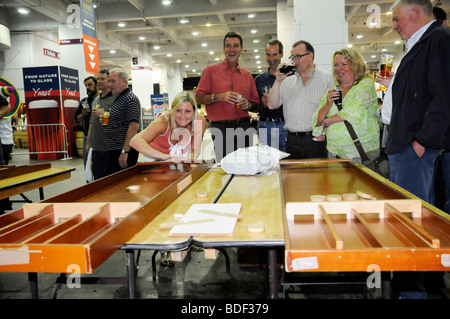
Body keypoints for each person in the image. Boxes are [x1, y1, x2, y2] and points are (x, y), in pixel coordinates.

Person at [386, 0, 450, 299]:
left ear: (415, 13)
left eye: (397, 19)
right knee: (408, 223)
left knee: (412, 227)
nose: (395, 25)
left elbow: (444, 95)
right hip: (406, 148)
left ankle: (415, 293)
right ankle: (412, 290)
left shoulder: (438, 40)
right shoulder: (420, 44)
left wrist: (424, 140)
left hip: (415, 149)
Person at [195, 31, 260, 162]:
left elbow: (256, 104)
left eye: (236, 46)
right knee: (225, 168)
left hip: (244, 127)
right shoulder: (210, 71)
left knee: (246, 167)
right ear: (224, 49)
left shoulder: (247, 75)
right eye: (228, 45)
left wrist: (249, 104)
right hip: (220, 129)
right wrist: (219, 97)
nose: (232, 49)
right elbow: (198, 98)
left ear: (241, 49)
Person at [311, 48, 380, 164]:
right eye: (336, 65)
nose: (339, 68)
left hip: (360, 152)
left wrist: (327, 121)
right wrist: (328, 104)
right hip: (334, 153)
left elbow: (352, 112)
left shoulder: (365, 84)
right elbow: (316, 120)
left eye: (344, 64)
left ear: (355, 65)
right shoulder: (332, 90)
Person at [267, 40, 334, 159]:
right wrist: (278, 81)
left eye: (298, 56)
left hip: (316, 139)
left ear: (310, 56)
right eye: (293, 57)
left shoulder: (327, 79)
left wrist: (324, 133)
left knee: (316, 176)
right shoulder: (287, 81)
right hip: (291, 140)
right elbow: (272, 105)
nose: (295, 60)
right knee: (292, 177)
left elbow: (334, 110)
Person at [130, 91, 206, 163]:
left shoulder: (200, 121)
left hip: (177, 158)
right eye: (178, 111)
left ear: (194, 112)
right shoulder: (163, 121)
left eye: (188, 111)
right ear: (173, 110)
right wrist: (162, 156)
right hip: (154, 158)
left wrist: (190, 158)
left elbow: (194, 151)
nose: (183, 116)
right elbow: (134, 141)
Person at [254, 39, 288, 152]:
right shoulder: (259, 80)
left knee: (285, 161)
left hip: (285, 125)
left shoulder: (290, 77)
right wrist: (262, 103)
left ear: (281, 54)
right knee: (266, 161)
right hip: (264, 125)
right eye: (268, 55)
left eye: (275, 55)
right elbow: (254, 107)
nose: (271, 59)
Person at [106, 68, 140, 175]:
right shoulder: (119, 98)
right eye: (109, 81)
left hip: (123, 151)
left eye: (113, 81)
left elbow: (134, 126)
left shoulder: (130, 99)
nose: (110, 84)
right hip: (115, 150)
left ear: (124, 81)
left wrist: (125, 152)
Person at [86, 69, 115, 180]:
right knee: (97, 179)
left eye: (103, 79)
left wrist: (104, 114)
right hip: (96, 148)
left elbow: (119, 119)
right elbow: (91, 124)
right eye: (98, 79)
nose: (99, 81)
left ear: (109, 81)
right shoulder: (96, 100)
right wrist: (88, 143)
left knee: (110, 180)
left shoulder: (115, 98)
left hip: (110, 148)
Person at [74, 76, 100, 167]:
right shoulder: (84, 102)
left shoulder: (103, 100)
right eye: (85, 85)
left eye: (89, 85)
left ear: (97, 85)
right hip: (86, 138)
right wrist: (83, 114)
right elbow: (77, 119)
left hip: (101, 138)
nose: (87, 87)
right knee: (88, 165)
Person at [0, 92, 13, 214]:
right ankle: (5, 203)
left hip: (4, 141)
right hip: (5, 141)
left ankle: (4, 203)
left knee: (2, 171)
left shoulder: (3, 102)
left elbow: (6, 105)